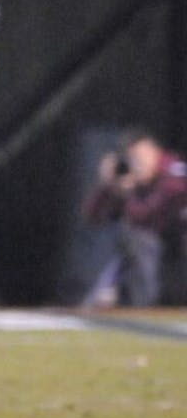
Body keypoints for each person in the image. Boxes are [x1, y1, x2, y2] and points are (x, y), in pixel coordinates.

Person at [81, 130, 187, 307]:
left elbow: (150, 216)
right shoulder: (137, 183)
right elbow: (93, 216)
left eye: (141, 156)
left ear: (155, 151)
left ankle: (147, 305)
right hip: (154, 260)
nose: (139, 164)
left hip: (175, 256)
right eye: (133, 159)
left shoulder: (175, 174)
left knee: (140, 240)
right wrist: (107, 184)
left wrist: (126, 194)